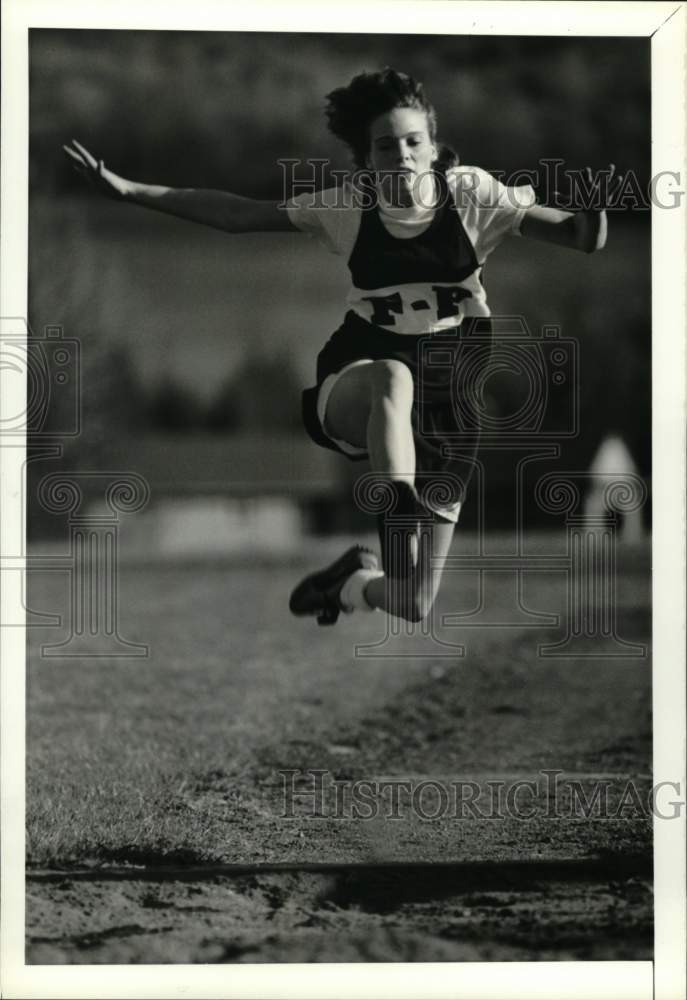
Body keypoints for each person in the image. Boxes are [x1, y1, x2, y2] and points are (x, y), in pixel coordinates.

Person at [63, 67, 621, 627]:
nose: (401, 154)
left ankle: (350, 582)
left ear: (433, 148)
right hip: (361, 369)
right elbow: (237, 214)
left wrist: (590, 223)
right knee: (392, 379)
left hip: (451, 394)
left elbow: (572, 232)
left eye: (413, 141)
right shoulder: (349, 208)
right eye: (385, 145)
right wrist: (131, 191)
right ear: (367, 159)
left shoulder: (472, 195)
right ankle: (396, 503)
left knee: (413, 602)